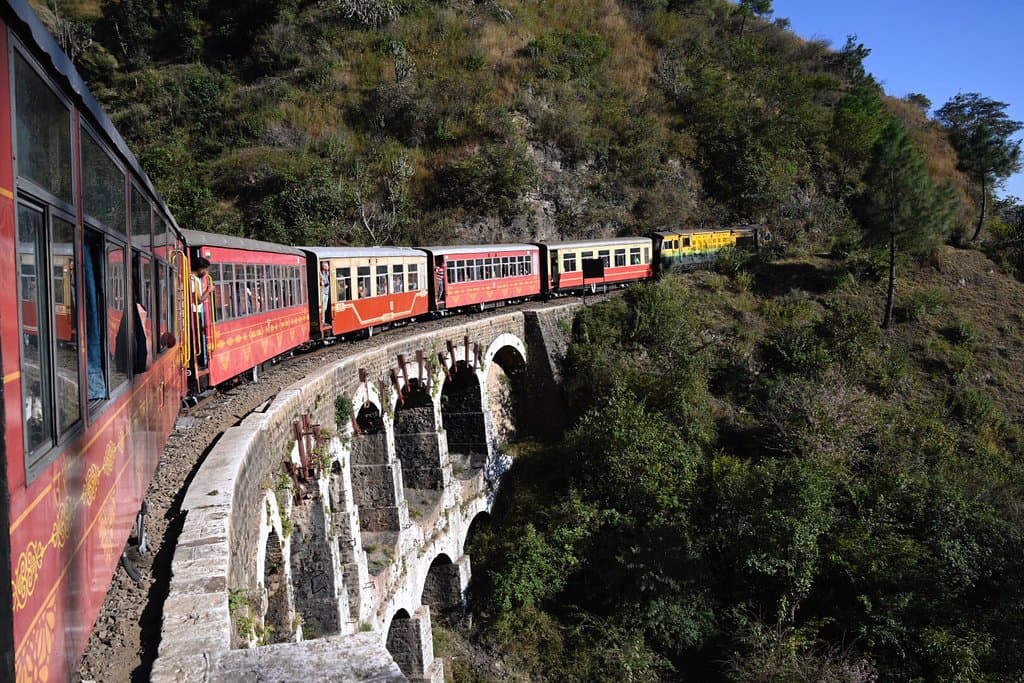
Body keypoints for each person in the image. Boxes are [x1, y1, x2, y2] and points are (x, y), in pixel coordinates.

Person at [190, 257, 212, 369]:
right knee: (196, 338)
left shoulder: (189, 278)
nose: (206, 273)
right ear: (200, 269)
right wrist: (209, 290)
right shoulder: (193, 280)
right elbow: (198, 301)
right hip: (194, 312)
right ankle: (196, 363)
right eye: (205, 270)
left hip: (192, 312)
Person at [319, 261, 331, 326]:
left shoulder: (327, 273)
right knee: (323, 307)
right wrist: (326, 283)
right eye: (326, 266)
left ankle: (323, 319)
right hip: (323, 292)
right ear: (323, 267)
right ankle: (322, 321)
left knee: (325, 308)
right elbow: (322, 283)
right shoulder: (320, 273)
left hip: (327, 293)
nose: (328, 267)